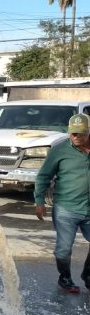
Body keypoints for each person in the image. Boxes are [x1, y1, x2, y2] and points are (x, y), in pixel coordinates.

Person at [34, 113, 90, 294]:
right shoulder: (60, 150)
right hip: (66, 209)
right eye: (72, 133)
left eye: (80, 133)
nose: (76, 137)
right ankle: (65, 277)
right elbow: (43, 176)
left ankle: (88, 275)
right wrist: (39, 201)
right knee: (63, 250)